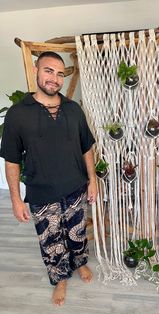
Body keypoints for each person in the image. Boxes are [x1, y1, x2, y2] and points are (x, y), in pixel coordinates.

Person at [0, 51, 97, 306]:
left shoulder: (73, 109)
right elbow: (11, 160)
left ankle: (80, 264)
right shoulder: (18, 114)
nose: (54, 78)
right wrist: (16, 200)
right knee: (52, 241)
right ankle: (60, 278)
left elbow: (86, 146)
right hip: (41, 193)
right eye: (48, 70)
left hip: (75, 187)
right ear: (36, 71)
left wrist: (93, 181)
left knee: (77, 233)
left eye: (60, 73)